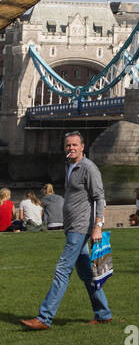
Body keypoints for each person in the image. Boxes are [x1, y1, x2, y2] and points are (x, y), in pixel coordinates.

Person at [20, 131, 112, 329]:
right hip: (71, 227)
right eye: (68, 145)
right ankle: (103, 313)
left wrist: (98, 226)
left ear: (82, 147)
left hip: (81, 227)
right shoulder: (68, 165)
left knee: (62, 270)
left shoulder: (89, 168)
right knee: (87, 274)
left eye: (74, 145)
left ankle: (44, 317)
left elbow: (99, 198)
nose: (71, 148)